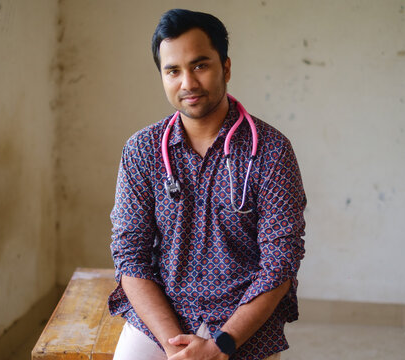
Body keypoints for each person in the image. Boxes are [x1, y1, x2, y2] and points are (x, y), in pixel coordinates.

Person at [108, 8, 306, 360]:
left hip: (241, 324)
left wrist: (219, 347)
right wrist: (176, 347)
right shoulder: (141, 150)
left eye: (200, 65)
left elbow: (280, 262)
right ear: (163, 77)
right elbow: (130, 256)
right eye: (173, 71)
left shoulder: (272, 151)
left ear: (225, 67)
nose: (188, 83)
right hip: (162, 318)